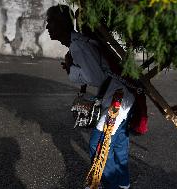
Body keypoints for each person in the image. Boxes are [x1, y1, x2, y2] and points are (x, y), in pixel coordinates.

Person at [46, 5, 135, 189]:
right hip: (123, 95)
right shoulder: (78, 42)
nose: (47, 27)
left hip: (117, 98)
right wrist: (74, 68)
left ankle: (112, 185)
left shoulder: (77, 45)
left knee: (98, 144)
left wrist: (71, 68)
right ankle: (123, 184)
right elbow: (96, 70)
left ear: (62, 24)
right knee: (118, 145)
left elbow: (96, 77)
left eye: (51, 22)